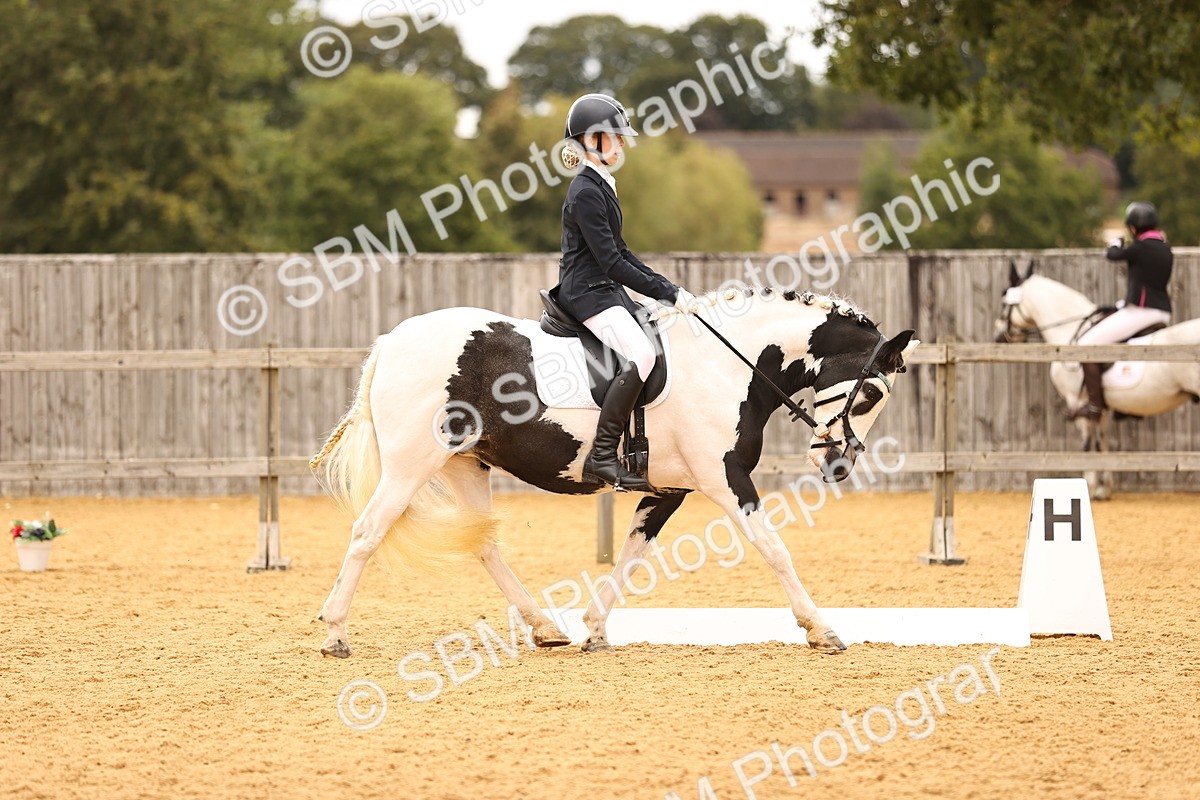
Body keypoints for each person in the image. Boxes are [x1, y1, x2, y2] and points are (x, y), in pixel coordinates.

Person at [550, 93, 700, 491]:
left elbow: (621, 252)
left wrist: (668, 291)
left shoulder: (601, 185)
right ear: (592, 140)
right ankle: (601, 455)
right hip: (588, 293)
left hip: (606, 289)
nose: (621, 144)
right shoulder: (585, 191)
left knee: (660, 338)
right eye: (614, 137)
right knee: (642, 353)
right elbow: (610, 262)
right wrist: (666, 293)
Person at [1071, 201, 1173, 419]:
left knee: (1085, 346)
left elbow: (1113, 255)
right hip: (1162, 311)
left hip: (1142, 311)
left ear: (1133, 228)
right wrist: (1120, 305)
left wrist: (1114, 243)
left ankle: (1095, 407)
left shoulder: (1140, 247)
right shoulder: (1165, 248)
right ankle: (1125, 402)